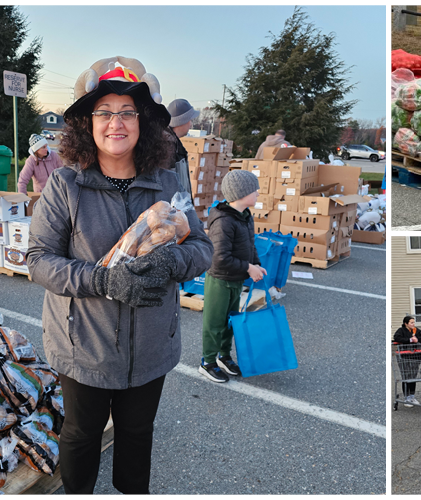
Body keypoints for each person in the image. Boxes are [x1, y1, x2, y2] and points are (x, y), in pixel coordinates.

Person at [26, 57, 213, 494]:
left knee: (136, 435)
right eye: (104, 112)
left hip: (151, 348)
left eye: (127, 112)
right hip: (84, 347)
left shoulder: (168, 184)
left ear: (143, 122)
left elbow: (202, 248)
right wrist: (103, 280)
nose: (116, 123)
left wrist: (173, 262)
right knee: (81, 435)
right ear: (86, 124)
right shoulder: (66, 186)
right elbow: (38, 260)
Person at [198, 170, 267, 383]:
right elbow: (219, 258)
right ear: (240, 193)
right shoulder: (224, 220)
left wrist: (256, 265)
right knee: (215, 321)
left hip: (236, 278)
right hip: (220, 279)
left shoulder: (245, 216)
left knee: (230, 321)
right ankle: (207, 361)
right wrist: (248, 268)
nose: (257, 192)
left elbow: (250, 244)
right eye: (253, 190)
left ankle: (223, 356)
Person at [165, 99, 200, 198]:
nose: (191, 124)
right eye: (190, 120)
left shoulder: (174, 144)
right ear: (182, 121)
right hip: (174, 210)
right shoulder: (167, 147)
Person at [393, 315, 421, 407]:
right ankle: (406, 397)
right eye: (411, 322)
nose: (413, 324)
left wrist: (417, 339)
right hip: (405, 357)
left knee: (413, 376)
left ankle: (412, 396)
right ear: (406, 324)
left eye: (414, 322)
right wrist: (410, 340)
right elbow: (397, 338)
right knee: (406, 376)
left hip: (415, 356)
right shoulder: (401, 330)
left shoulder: (416, 330)